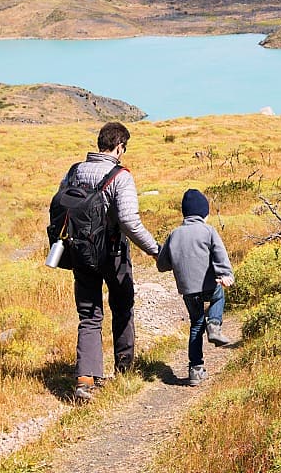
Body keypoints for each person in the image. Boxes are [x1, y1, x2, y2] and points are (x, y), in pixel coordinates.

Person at [55, 121, 160, 402]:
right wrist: (154, 250)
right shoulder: (121, 176)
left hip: (80, 253)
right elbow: (128, 221)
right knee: (123, 307)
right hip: (113, 254)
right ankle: (124, 369)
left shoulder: (74, 171)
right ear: (120, 147)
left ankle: (85, 380)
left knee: (89, 315)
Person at [156, 189, 234, 387]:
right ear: (204, 213)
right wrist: (226, 275)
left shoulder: (174, 234)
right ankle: (214, 325)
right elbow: (220, 255)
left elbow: (162, 265)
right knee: (218, 296)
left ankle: (195, 369)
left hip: (188, 290)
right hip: (208, 284)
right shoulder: (208, 231)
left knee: (196, 324)